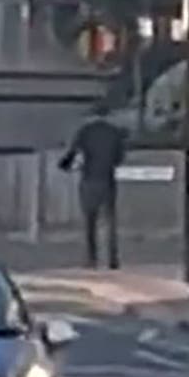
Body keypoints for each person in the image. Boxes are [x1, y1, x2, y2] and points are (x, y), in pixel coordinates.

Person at [59, 101, 126, 270]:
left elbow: (72, 153)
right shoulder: (115, 133)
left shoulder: (85, 132)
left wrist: (65, 165)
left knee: (90, 221)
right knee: (110, 221)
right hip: (108, 180)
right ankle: (113, 259)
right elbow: (119, 158)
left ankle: (91, 259)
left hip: (89, 179)